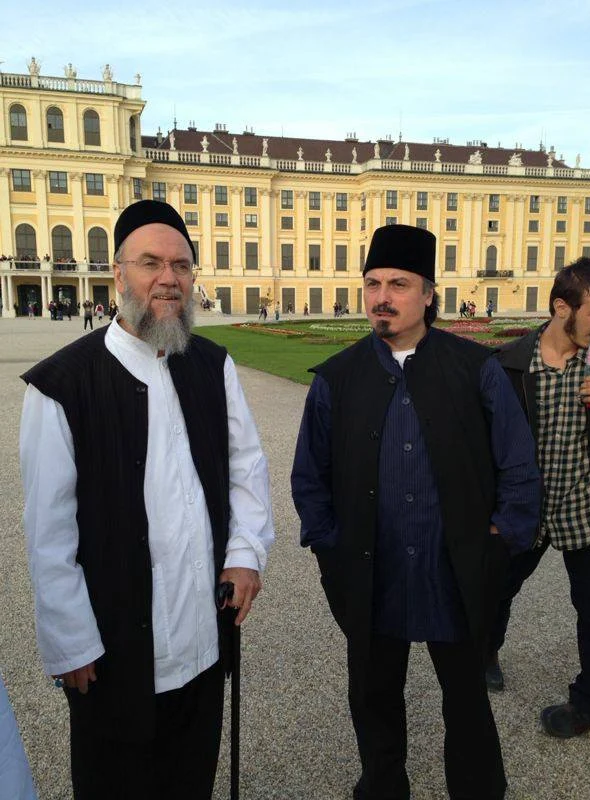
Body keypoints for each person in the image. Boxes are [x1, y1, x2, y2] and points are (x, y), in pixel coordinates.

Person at [20, 200, 275, 800]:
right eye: (151, 263)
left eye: (182, 266)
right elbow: (49, 532)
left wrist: (245, 553)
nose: (169, 279)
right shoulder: (61, 385)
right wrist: (70, 640)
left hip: (201, 638)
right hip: (115, 652)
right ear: (118, 275)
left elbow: (247, 467)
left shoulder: (213, 365)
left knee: (190, 781)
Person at [291, 224, 540, 800]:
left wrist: (502, 540)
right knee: (374, 697)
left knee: (467, 699)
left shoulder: (476, 368)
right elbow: (310, 476)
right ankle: (382, 788)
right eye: (373, 283)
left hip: (452, 567)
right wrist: (329, 542)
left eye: (398, 284)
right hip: (371, 569)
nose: (382, 296)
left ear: (429, 293)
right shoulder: (337, 377)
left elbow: (518, 464)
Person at [486, 257, 590, 738]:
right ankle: (485, 651)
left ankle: (588, 702)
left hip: (585, 513)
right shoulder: (509, 365)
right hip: (525, 513)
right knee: (495, 592)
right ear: (561, 307)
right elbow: (481, 448)